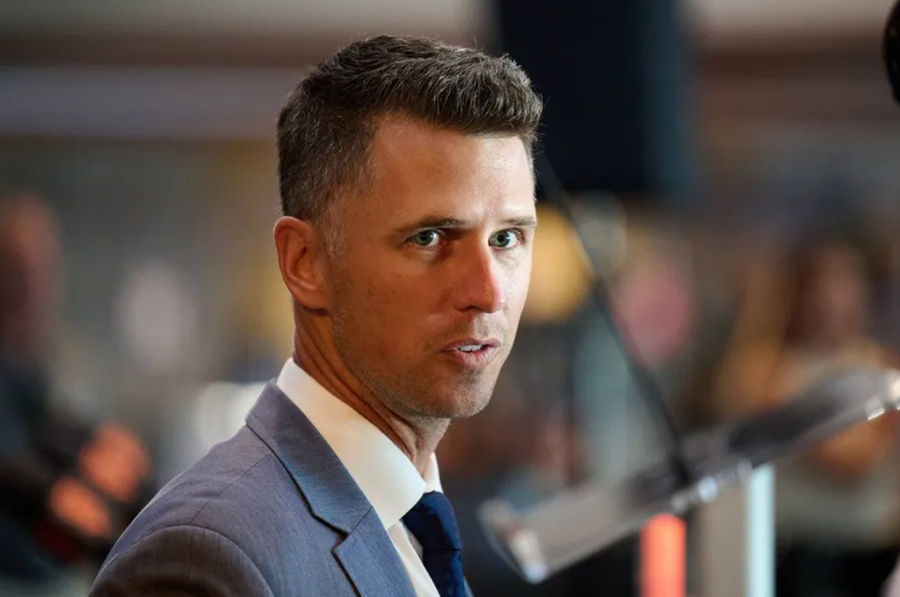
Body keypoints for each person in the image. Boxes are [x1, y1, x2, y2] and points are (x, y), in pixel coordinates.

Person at [89, 35, 542, 596]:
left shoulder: (411, 520)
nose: (488, 291)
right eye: (429, 238)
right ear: (305, 263)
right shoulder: (202, 556)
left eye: (506, 238)